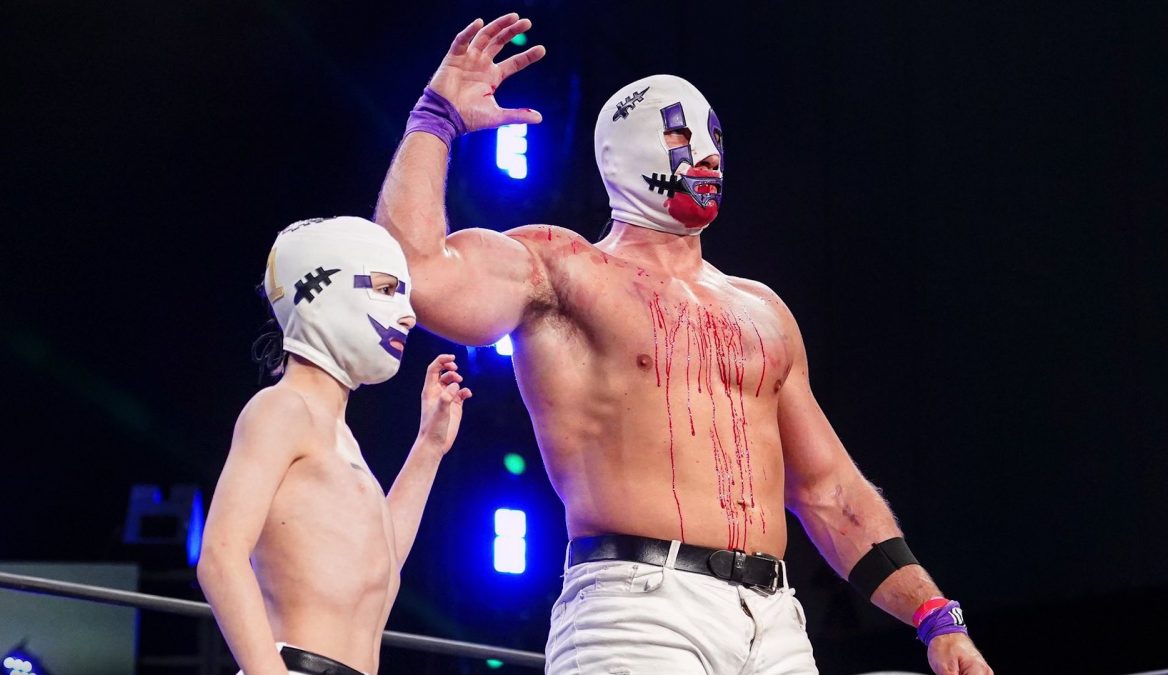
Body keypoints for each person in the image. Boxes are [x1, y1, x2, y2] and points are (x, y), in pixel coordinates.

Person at [373, 13, 992, 675]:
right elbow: (411, 276)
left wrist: (936, 616)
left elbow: (829, 490)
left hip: (775, 622)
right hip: (637, 608)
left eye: (715, 139)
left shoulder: (761, 310)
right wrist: (435, 118)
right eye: (679, 135)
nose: (707, 155)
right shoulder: (563, 268)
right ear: (625, 153)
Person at [196, 216, 472, 675]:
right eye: (386, 289)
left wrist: (428, 448)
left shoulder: (340, 439)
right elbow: (220, 555)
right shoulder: (281, 409)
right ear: (319, 290)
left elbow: (379, 568)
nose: (408, 315)